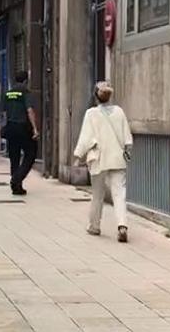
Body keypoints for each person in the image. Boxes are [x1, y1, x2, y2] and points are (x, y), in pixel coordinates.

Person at [73, 81, 133, 243]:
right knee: (119, 194)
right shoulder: (119, 112)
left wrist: (78, 156)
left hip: (99, 159)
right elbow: (128, 138)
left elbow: (86, 138)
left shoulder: (91, 114)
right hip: (117, 158)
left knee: (97, 195)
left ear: (95, 96)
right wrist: (127, 150)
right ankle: (122, 225)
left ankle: (94, 226)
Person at [1, 71, 39, 195]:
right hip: (22, 127)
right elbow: (29, 110)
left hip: (11, 127)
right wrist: (34, 128)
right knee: (31, 154)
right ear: (25, 81)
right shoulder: (25, 92)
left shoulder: (7, 94)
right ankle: (17, 179)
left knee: (14, 157)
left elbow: (3, 112)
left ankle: (16, 186)